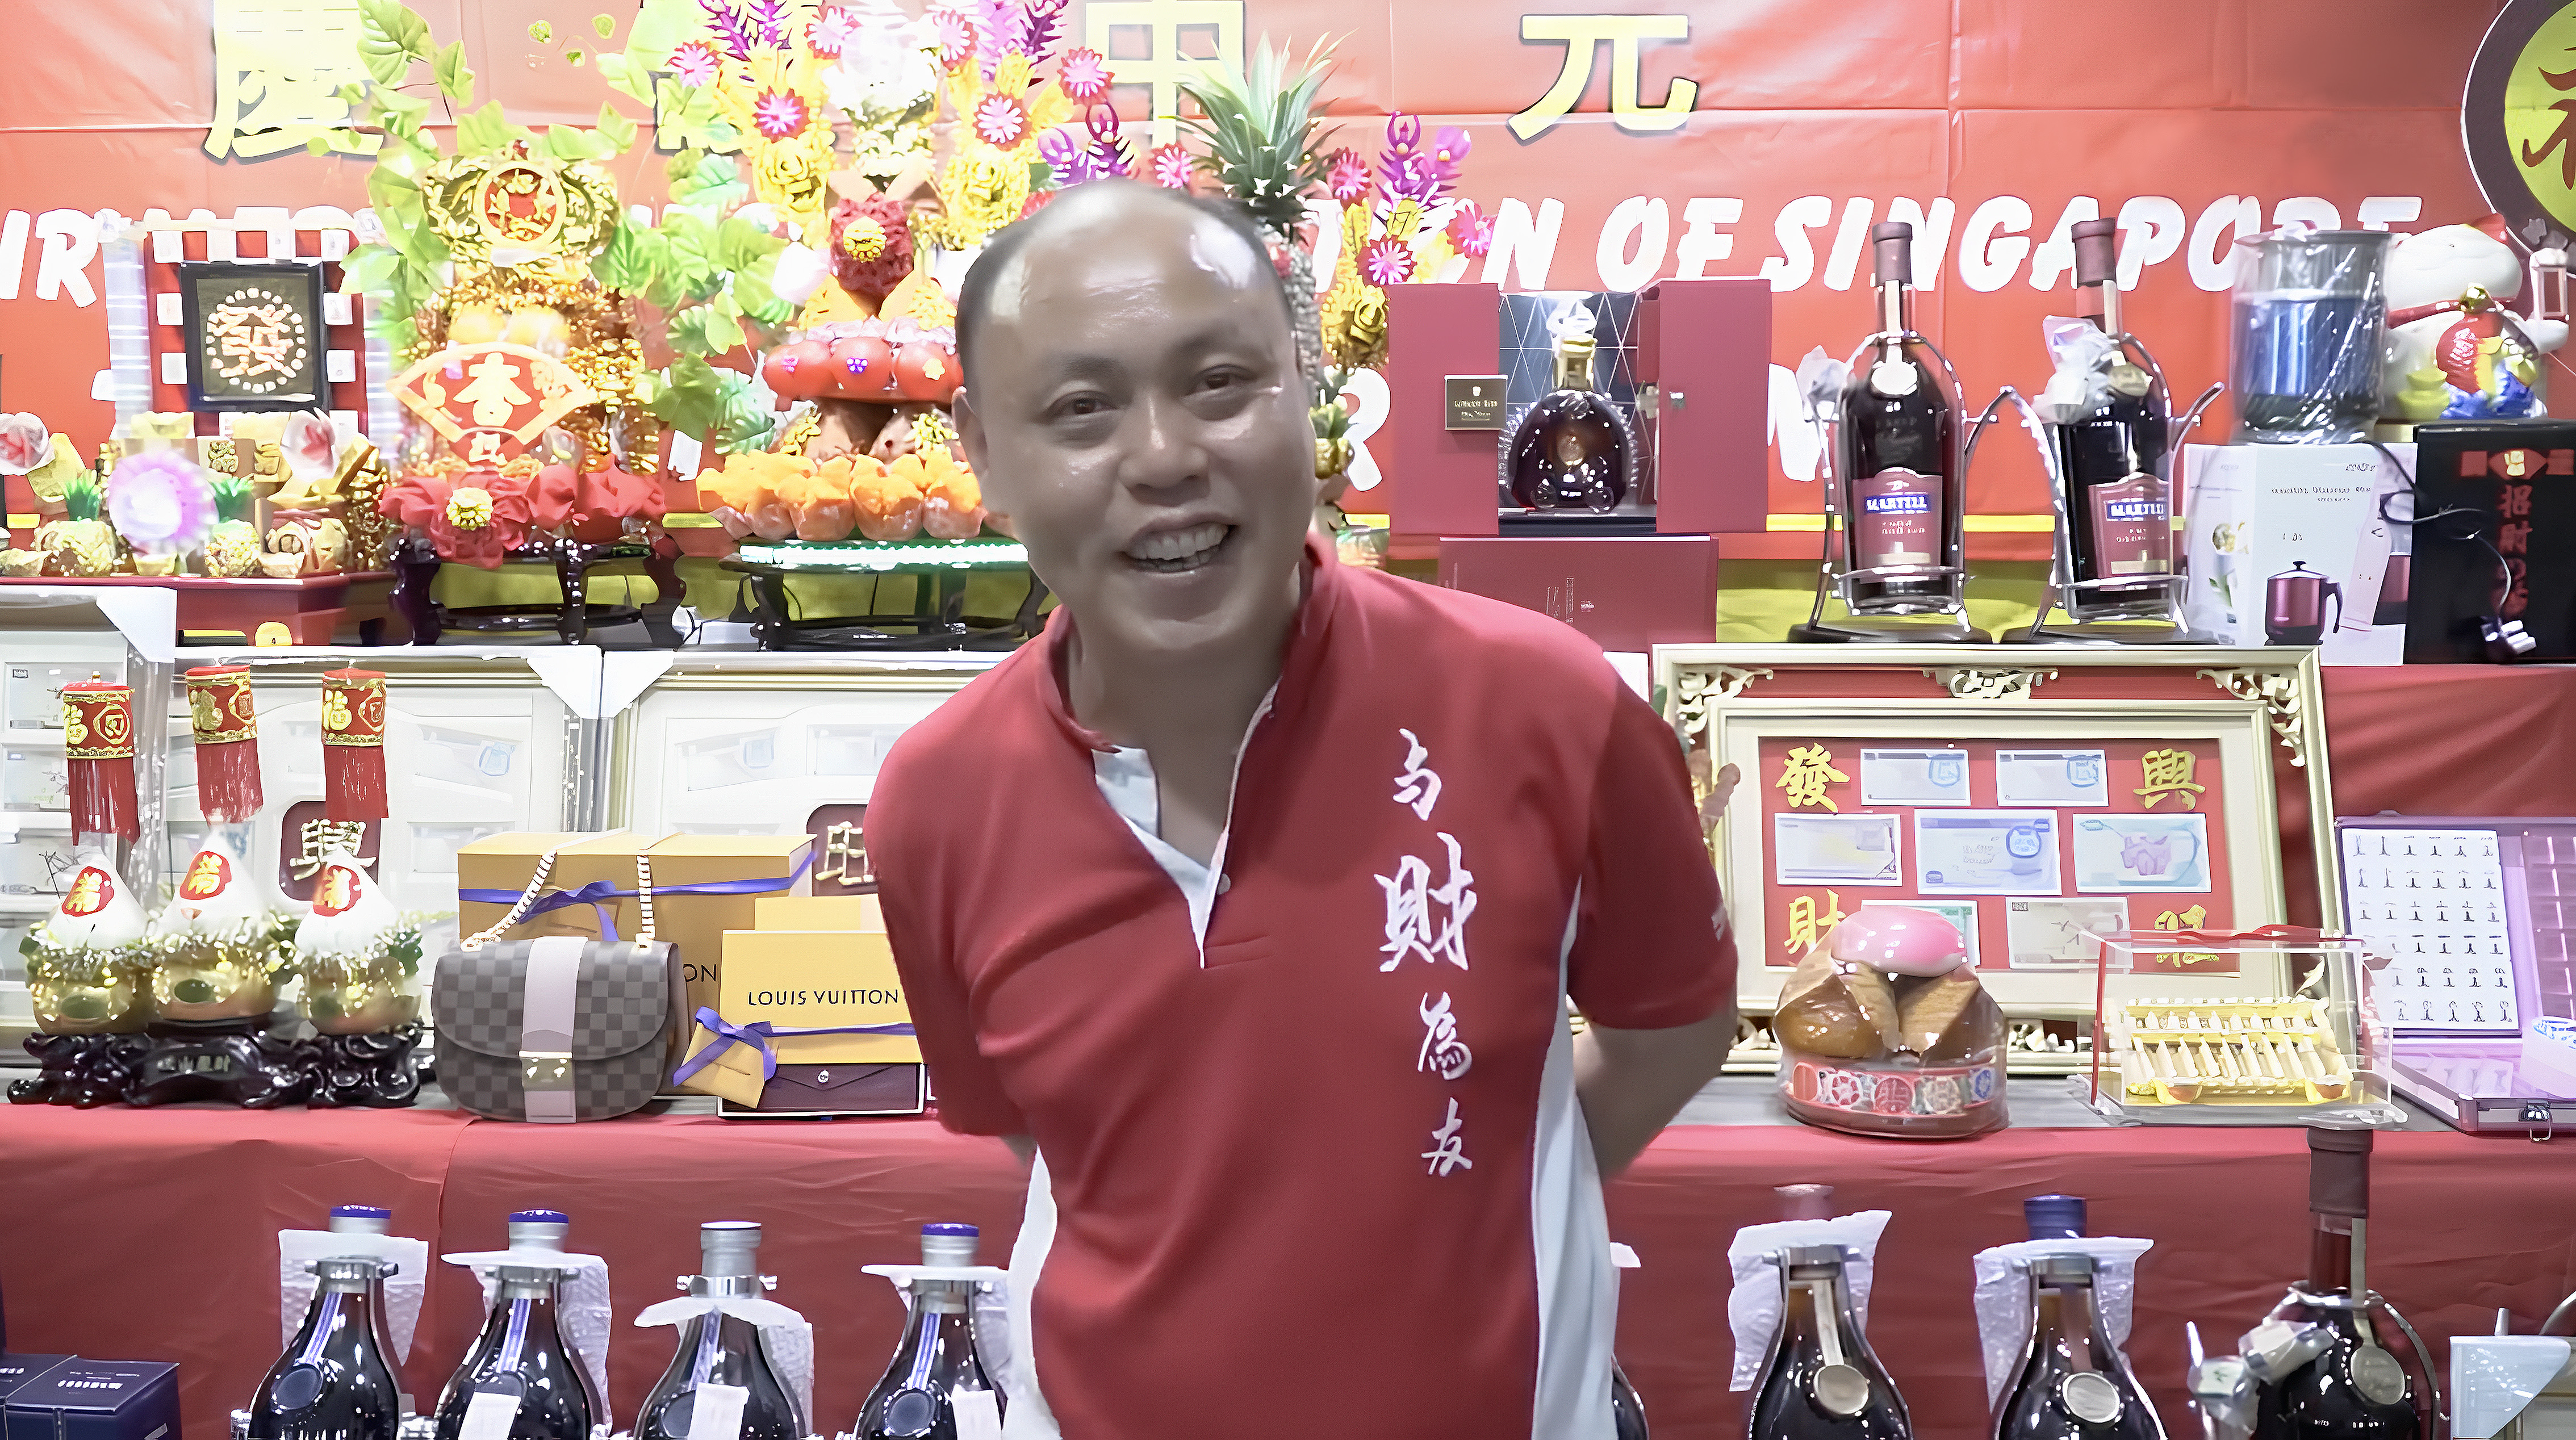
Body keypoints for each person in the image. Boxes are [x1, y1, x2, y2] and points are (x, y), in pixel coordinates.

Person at [865, 179, 1737, 1440]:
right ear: (984, 453)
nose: (1164, 457)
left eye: (1220, 382)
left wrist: (1468, 1190)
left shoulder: (1548, 706)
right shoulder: (936, 800)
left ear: (1308, 394)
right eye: (1081, 408)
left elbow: (1673, 1024)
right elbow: (1050, 1144)